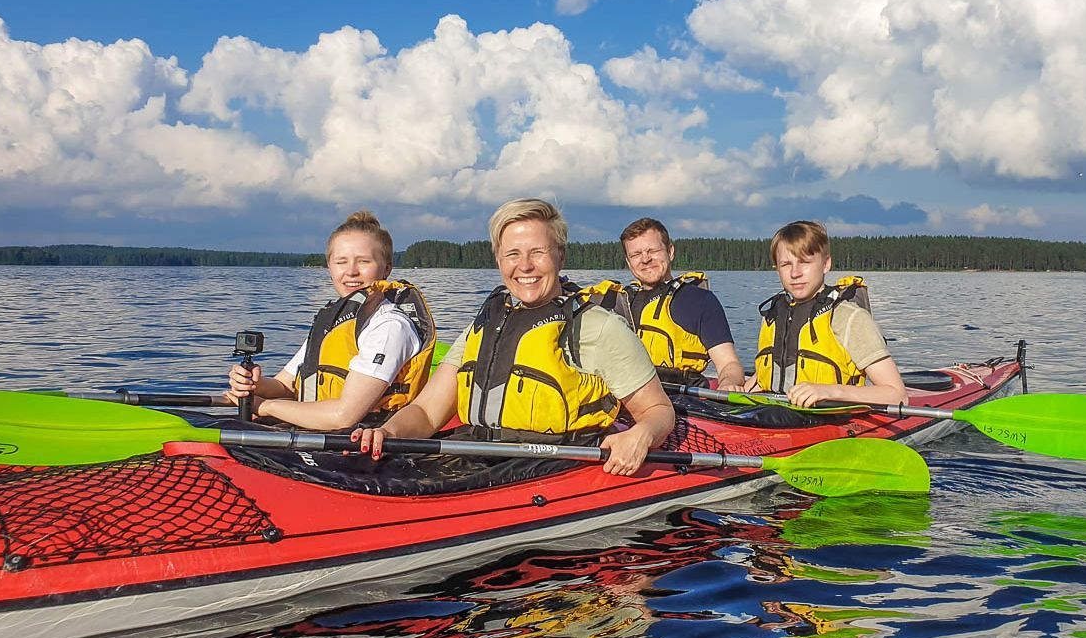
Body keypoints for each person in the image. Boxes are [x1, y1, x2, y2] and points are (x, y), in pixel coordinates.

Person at [352, 199, 676, 477]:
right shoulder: (484, 325)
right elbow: (426, 412)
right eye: (512, 255)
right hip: (480, 460)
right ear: (498, 259)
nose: (524, 266)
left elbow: (659, 410)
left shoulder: (597, 327)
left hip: (559, 468)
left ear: (560, 257)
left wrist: (641, 435)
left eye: (538, 252)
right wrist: (387, 433)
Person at [224, 211, 436, 430]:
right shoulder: (332, 323)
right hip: (316, 435)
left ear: (386, 269)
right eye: (341, 262)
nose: (351, 272)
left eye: (364, 261)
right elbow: (284, 386)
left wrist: (266, 407)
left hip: (363, 444)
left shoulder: (390, 326)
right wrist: (254, 384)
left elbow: (343, 416)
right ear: (330, 267)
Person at [746, 220, 908, 409]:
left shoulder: (849, 318)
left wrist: (827, 391)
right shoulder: (773, 316)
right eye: (786, 264)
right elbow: (768, 374)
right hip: (777, 416)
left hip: (834, 420)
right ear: (777, 269)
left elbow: (897, 395)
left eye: (805, 262)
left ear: (826, 264)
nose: (795, 273)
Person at [595, 217, 746, 391]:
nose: (645, 259)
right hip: (630, 396)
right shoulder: (617, 305)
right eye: (636, 254)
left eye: (652, 250)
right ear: (628, 262)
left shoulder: (699, 301)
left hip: (684, 396)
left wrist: (728, 383)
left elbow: (729, 363)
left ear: (670, 251)